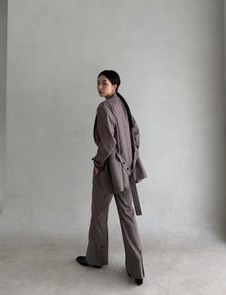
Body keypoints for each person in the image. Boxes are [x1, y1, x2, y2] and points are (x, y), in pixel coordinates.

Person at [76, 70, 147, 285]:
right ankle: (137, 271)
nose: (99, 87)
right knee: (128, 219)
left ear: (114, 86)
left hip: (108, 172)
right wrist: (130, 159)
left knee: (98, 214)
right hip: (126, 171)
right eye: (97, 83)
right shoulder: (122, 105)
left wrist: (98, 163)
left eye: (103, 83)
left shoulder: (105, 107)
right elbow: (136, 133)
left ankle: (95, 258)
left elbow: (107, 143)